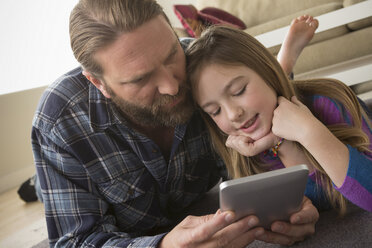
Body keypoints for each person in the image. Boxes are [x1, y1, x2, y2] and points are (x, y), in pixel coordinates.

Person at [31, 0, 320, 247]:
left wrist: (288, 202)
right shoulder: (60, 121)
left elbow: (263, 110)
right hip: (71, 174)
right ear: (99, 83)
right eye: (140, 79)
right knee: (40, 189)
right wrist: (163, 245)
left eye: (171, 56)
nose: (172, 86)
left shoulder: (201, 66)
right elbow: (75, 241)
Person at [186, 25, 372, 218]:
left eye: (238, 91)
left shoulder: (331, 102)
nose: (233, 114)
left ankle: (283, 65)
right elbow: (323, 200)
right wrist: (281, 143)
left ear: (267, 71)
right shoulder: (243, 147)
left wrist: (309, 132)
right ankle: (283, 67)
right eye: (215, 111)